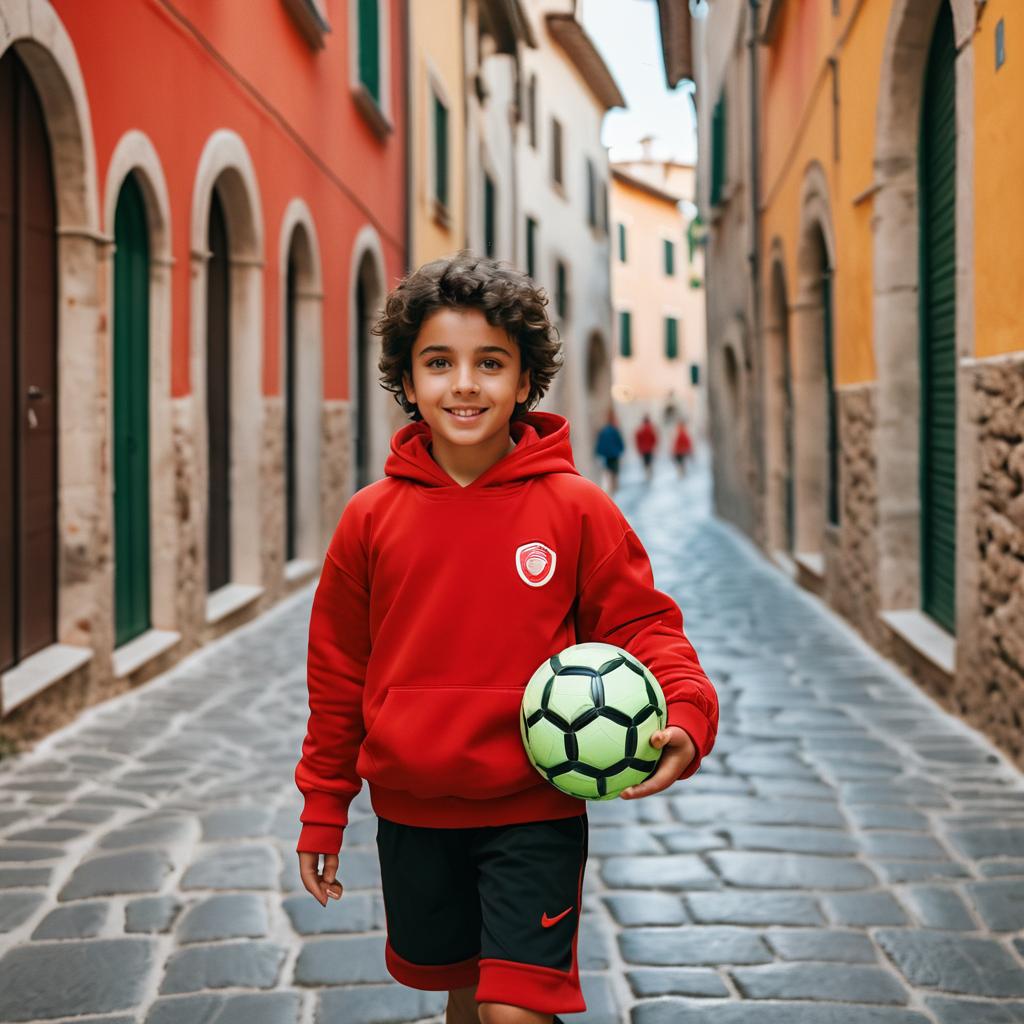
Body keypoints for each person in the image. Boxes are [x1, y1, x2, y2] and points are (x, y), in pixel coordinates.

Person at [294, 252, 718, 1024]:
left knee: (514, 1009)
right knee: (466, 994)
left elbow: (643, 625)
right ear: (408, 381)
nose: (464, 383)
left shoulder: (577, 508)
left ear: (524, 382)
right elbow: (337, 674)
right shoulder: (369, 519)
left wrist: (686, 712)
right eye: (439, 363)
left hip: (534, 809)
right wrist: (325, 805)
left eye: (490, 363)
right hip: (414, 811)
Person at [594, 409, 625, 495]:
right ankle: (614, 486)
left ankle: (612, 486)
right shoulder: (614, 430)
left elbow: (600, 442)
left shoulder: (604, 431)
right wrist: (621, 449)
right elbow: (619, 441)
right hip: (614, 454)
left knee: (609, 469)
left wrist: (598, 452)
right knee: (615, 470)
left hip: (607, 454)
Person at [635, 414, 658, 482]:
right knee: (649, 461)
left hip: (643, 449)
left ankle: (647, 473)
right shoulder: (651, 428)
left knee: (645, 462)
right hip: (650, 448)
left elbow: (638, 439)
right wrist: (654, 446)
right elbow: (654, 438)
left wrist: (639, 447)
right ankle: (649, 473)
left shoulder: (640, 429)